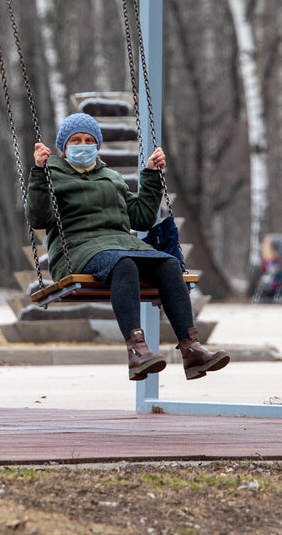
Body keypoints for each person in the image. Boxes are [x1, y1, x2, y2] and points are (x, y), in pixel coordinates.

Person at [28, 112, 229, 381]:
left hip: (121, 245)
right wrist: (39, 174)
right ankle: (137, 350)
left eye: (89, 140)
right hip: (77, 250)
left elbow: (142, 217)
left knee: (169, 264)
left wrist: (151, 175)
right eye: (75, 140)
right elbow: (39, 218)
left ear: (97, 146)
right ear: (63, 147)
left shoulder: (111, 177)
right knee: (124, 264)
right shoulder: (51, 176)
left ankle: (191, 349)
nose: (82, 145)